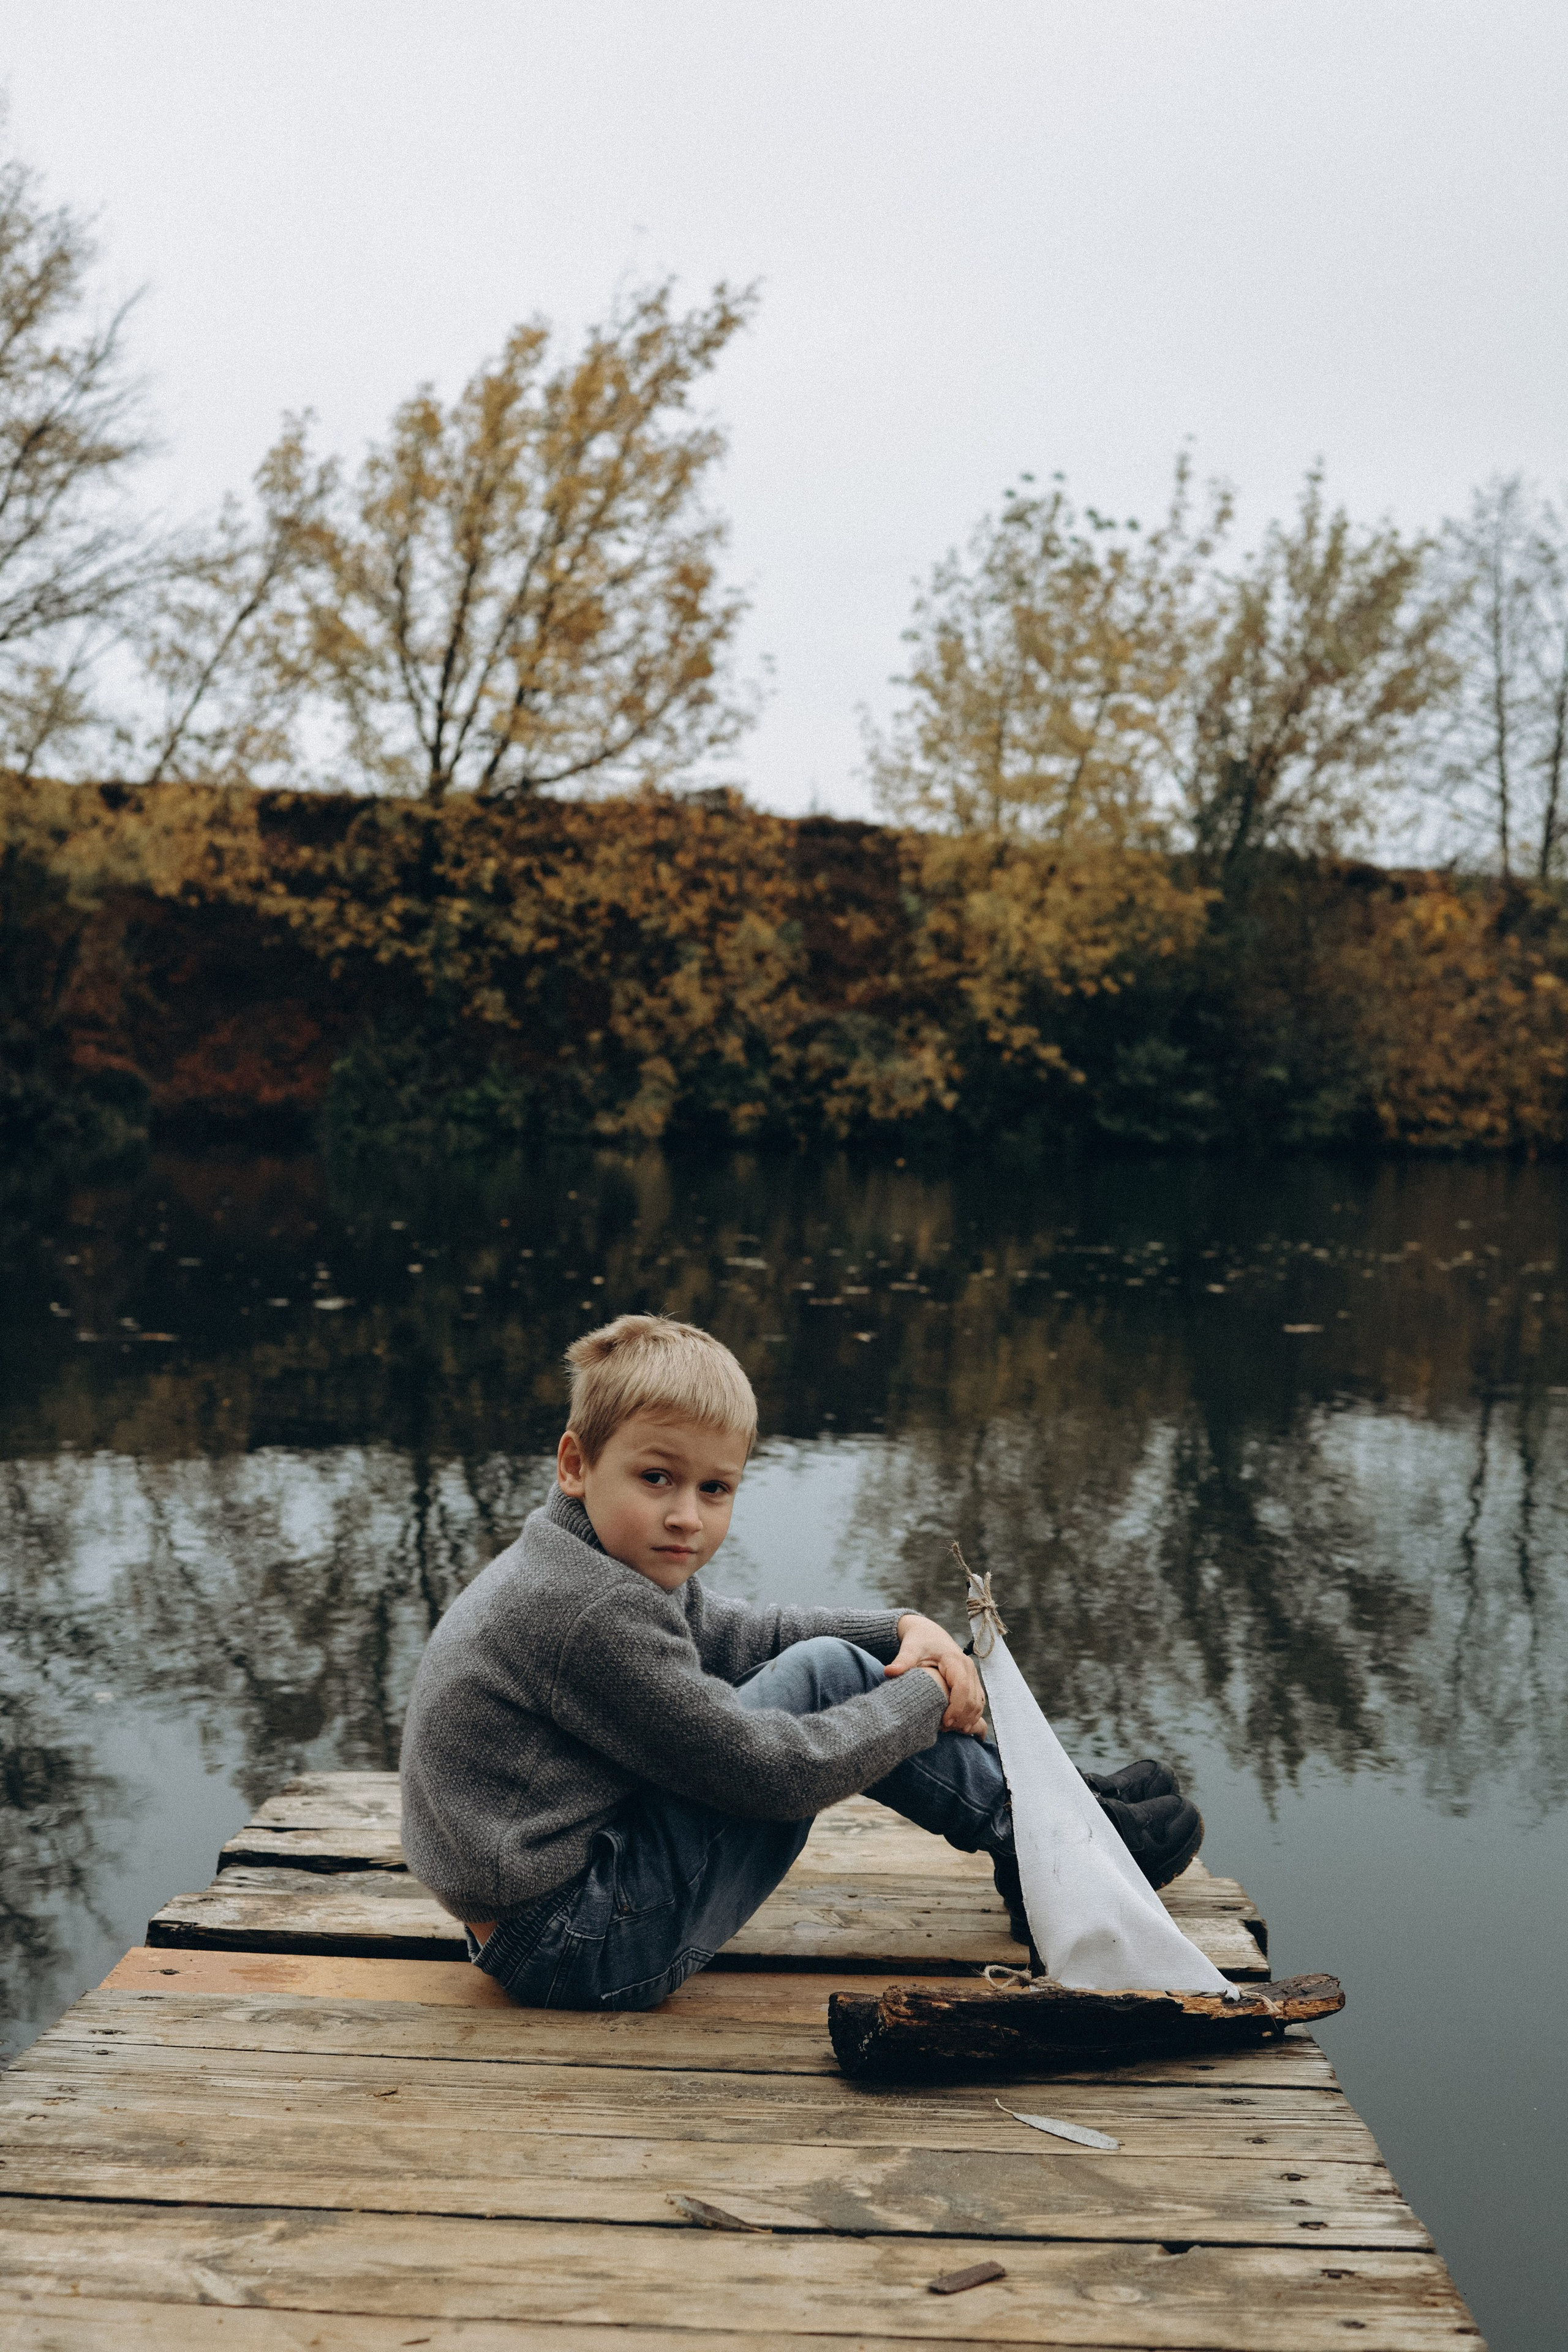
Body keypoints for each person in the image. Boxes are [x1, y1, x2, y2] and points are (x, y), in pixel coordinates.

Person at [399, 1312, 1201, 2011]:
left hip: (551, 1914)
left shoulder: (593, 1558)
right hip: (577, 1945)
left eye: (716, 1489)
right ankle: (1043, 1842)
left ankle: (1035, 1820)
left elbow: (736, 1635)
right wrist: (921, 1695)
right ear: (576, 1463)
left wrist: (898, 1628)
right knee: (830, 1679)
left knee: (833, 1665)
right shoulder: (588, 1610)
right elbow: (769, 1774)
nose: (686, 1517)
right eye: (657, 1478)